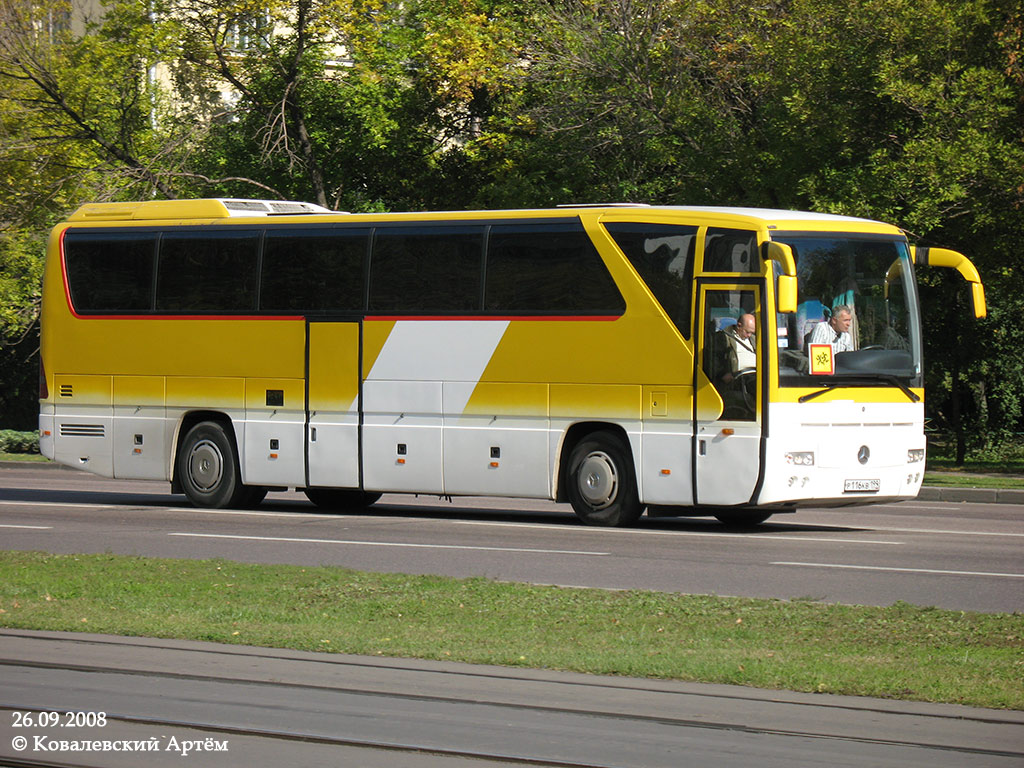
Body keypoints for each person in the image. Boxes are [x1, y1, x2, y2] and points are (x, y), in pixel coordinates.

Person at [719, 313, 757, 384]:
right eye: (747, 332)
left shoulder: (754, 339)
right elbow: (714, 357)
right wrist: (722, 374)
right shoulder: (724, 337)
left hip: (756, 374)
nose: (749, 335)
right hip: (739, 378)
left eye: (752, 333)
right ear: (739, 326)